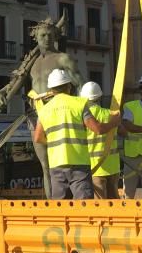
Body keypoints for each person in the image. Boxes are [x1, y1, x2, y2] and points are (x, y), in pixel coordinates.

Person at [0, 18, 82, 197]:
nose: (47, 38)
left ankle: (68, 202)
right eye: (42, 35)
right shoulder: (30, 64)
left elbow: (80, 85)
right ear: (35, 37)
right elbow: (13, 84)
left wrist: (82, 113)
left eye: (50, 35)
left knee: (65, 165)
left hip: (59, 116)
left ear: (56, 36)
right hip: (36, 116)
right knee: (46, 166)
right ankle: (53, 205)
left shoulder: (63, 59)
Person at [33, 69, 121, 199]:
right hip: (78, 163)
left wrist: (56, 143)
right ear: (69, 86)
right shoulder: (79, 104)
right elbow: (98, 129)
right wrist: (113, 122)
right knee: (83, 203)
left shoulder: (44, 110)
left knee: (60, 204)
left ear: (51, 89)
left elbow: (38, 138)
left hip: (56, 164)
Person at [80, 82, 121, 199]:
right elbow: (123, 131)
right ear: (99, 97)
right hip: (113, 166)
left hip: (95, 167)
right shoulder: (110, 114)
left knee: (100, 204)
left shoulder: (82, 117)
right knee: (114, 202)